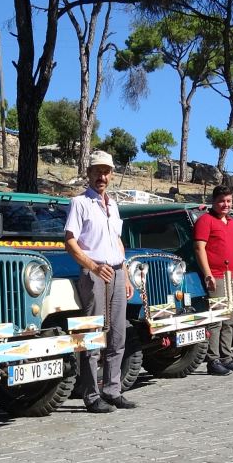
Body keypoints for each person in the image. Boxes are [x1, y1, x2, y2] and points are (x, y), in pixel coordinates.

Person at [64, 150, 136, 413]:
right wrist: (93, 266)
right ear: (89, 173)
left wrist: (125, 274)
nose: (102, 177)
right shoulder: (79, 203)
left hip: (116, 272)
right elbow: (70, 241)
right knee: (93, 338)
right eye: (97, 171)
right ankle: (91, 395)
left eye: (106, 172)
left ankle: (113, 390)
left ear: (112, 175)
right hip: (94, 273)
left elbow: (117, 241)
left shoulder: (113, 205)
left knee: (118, 335)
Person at [194, 185, 233, 376]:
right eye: (221, 201)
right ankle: (213, 360)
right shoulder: (205, 221)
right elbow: (200, 249)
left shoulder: (232, 223)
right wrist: (208, 273)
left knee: (230, 319)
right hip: (217, 277)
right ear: (214, 201)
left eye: (228, 201)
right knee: (216, 319)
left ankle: (227, 357)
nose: (225, 205)